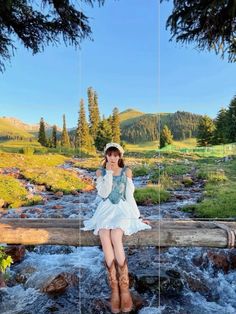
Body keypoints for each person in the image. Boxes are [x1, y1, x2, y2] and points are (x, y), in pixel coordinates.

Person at [81, 142, 152, 313]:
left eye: (116, 155)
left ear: (120, 156)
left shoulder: (127, 171)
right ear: (105, 155)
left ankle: (124, 288)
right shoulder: (100, 172)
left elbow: (129, 197)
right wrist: (109, 174)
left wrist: (138, 217)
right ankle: (114, 287)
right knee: (104, 234)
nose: (112, 158)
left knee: (115, 236)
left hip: (121, 209)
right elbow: (103, 194)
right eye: (109, 154)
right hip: (105, 210)